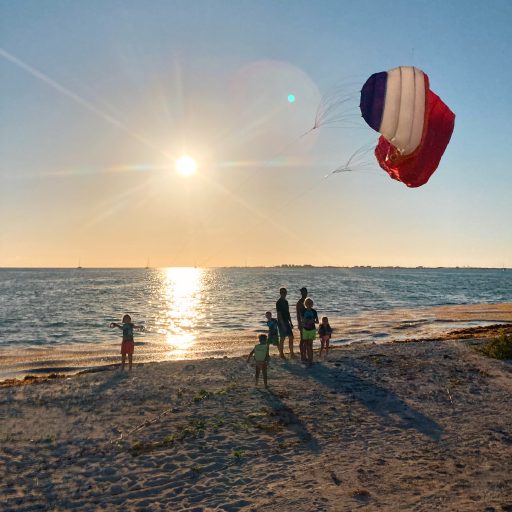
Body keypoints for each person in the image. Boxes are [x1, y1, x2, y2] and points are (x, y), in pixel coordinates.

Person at [276, 287, 295, 359]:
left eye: (284, 292)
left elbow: (288, 313)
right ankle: (281, 354)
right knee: (282, 338)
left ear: (286, 293)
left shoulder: (286, 302)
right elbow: (279, 314)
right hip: (281, 322)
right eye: (282, 292)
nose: (283, 294)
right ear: (280, 293)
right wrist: (282, 324)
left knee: (291, 337)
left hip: (287, 322)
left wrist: (291, 322)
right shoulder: (279, 302)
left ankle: (292, 353)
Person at [302, 298, 319, 365]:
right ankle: (305, 358)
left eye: (310, 303)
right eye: (307, 303)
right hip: (305, 329)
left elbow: (317, 321)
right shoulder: (303, 311)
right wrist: (305, 321)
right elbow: (302, 320)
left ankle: (310, 360)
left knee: (310, 345)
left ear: (312, 304)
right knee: (305, 345)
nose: (309, 304)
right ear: (305, 304)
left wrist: (313, 321)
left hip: (312, 330)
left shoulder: (314, 311)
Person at [296, 287, 308, 362]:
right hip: (302, 323)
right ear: (301, 293)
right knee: (303, 340)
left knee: (306, 340)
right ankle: (302, 356)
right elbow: (298, 315)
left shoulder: (306, 301)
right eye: (303, 292)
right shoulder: (300, 302)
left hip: (307, 323)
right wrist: (299, 324)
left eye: (305, 292)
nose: (304, 293)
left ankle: (304, 355)